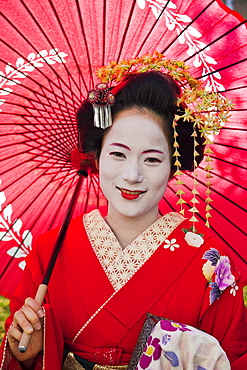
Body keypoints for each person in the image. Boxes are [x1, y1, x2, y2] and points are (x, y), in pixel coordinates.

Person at [0, 63, 247, 370]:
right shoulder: (51, 250)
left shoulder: (211, 263)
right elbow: (21, 352)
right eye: (118, 153)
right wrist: (28, 355)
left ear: (173, 166)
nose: (132, 175)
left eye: (152, 159)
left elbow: (234, 359)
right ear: (97, 156)